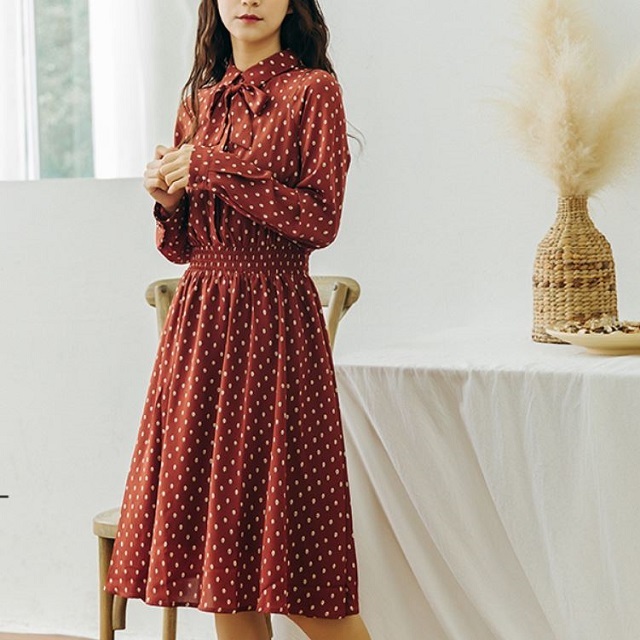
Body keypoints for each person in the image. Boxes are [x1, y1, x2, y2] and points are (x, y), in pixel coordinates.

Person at [104, 1, 372, 639]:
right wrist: (169, 202)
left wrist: (212, 168)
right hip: (200, 328)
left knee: (303, 573)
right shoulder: (199, 103)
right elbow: (183, 248)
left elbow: (319, 219)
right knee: (223, 565)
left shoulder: (313, 91)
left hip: (277, 325)